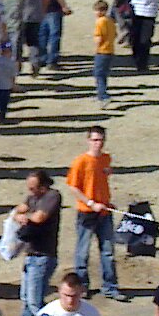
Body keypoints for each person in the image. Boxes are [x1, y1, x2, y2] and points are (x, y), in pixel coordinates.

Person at [64, 125, 120, 296]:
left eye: (101, 140)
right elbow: (73, 187)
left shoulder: (106, 159)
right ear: (88, 141)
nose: (98, 143)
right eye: (95, 140)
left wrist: (107, 202)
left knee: (108, 251)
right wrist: (90, 202)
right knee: (82, 252)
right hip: (86, 213)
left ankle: (110, 286)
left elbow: (101, 183)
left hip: (104, 212)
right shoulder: (80, 162)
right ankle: (82, 287)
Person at [8, 168, 62, 316]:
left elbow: (39, 217)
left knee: (35, 302)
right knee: (26, 299)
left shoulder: (52, 196)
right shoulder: (32, 197)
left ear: (43, 186)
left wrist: (23, 217)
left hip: (43, 256)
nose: (30, 191)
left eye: (33, 188)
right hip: (31, 255)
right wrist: (19, 216)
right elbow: (18, 210)